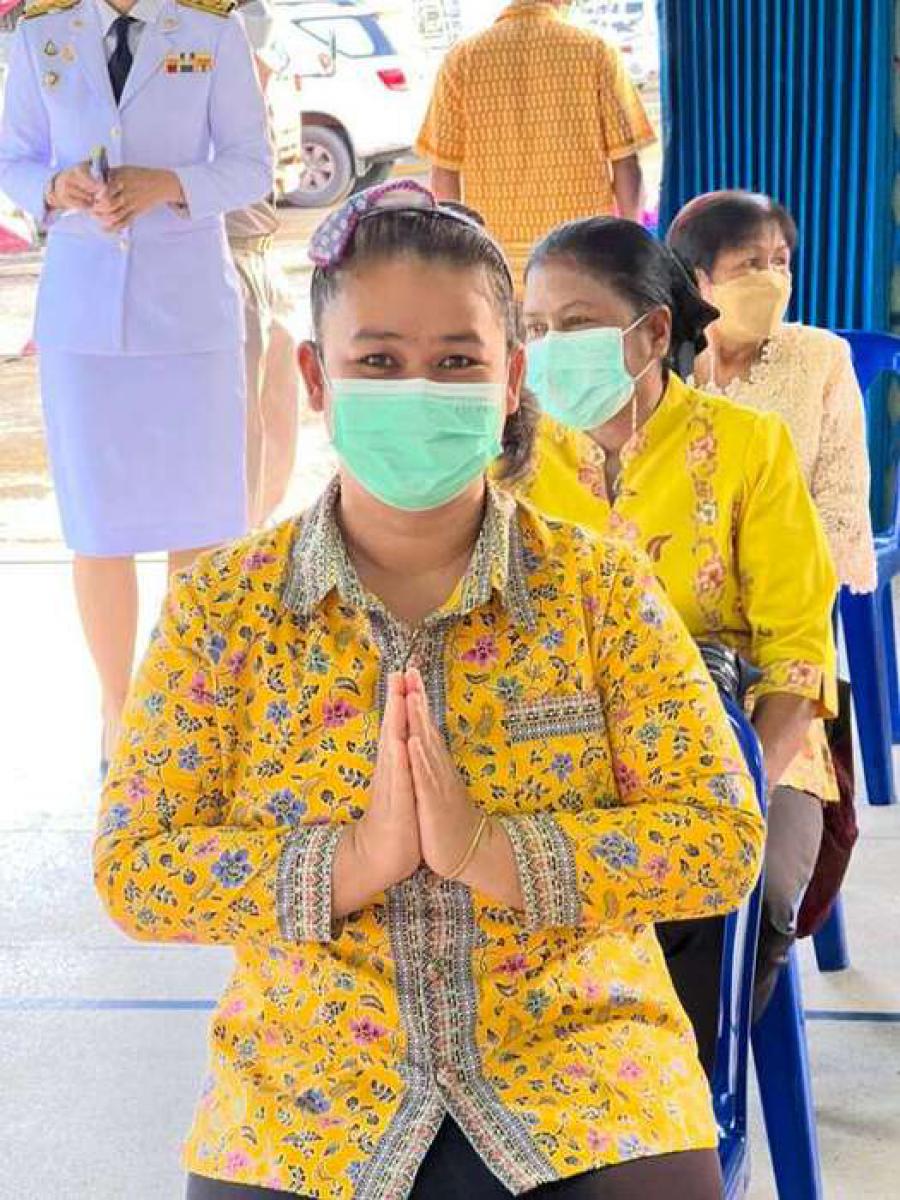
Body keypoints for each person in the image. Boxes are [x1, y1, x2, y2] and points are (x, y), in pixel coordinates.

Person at [94, 180, 765, 1199]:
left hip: (585, 1070)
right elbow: (136, 867)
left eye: (456, 361)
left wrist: (494, 853)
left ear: (512, 379)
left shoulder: (598, 591)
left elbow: (721, 841)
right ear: (316, 377)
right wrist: (351, 863)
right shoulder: (223, 610)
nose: (418, 389)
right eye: (378, 361)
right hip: (307, 1085)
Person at [515, 216, 838, 1077]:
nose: (551, 351)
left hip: (746, 734)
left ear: (655, 332)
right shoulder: (514, 463)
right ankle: (559, 1090)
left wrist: (740, 787)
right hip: (566, 743)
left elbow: (797, 651)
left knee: (745, 888)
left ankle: (683, 1096)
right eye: (535, 329)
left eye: (577, 325)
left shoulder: (748, 447)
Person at [0, 0, 272, 770]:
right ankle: (117, 713)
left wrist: (170, 183)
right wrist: (54, 187)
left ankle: (183, 707)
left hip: (189, 322)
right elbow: (12, 156)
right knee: (98, 526)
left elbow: (253, 164)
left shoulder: (211, 29)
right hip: (83, 323)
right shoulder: (41, 34)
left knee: (200, 522)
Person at [667, 189, 876, 594]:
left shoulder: (822, 357)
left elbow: (842, 499)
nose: (772, 279)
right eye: (750, 263)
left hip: (791, 583)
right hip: (677, 584)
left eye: (780, 261)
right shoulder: (663, 360)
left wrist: (788, 585)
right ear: (697, 279)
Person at [415, 0, 656, 292]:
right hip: (584, 263)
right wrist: (630, 252)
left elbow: (444, 174)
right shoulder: (596, 51)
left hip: (495, 268)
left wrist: (459, 255)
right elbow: (626, 164)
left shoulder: (462, 59)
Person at [229, 0, 300, 527]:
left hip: (261, 251)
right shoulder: (204, 37)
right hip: (223, 253)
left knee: (277, 413)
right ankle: (239, 543)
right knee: (242, 425)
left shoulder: (258, 31)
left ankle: (255, 533)